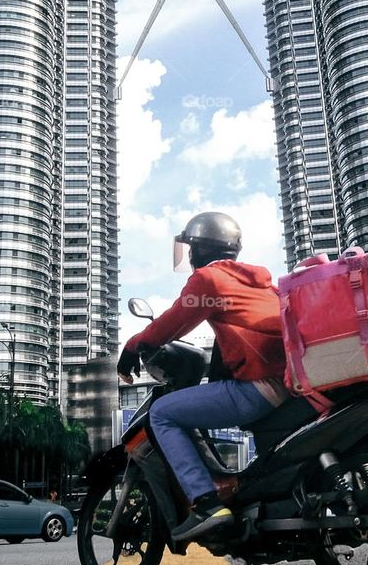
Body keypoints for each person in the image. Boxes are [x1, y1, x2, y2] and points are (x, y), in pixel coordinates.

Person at [117, 211, 289, 542]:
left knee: (163, 414)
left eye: (191, 248)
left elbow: (174, 322)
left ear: (199, 248)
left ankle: (206, 503)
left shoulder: (210, 279)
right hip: (288, 384)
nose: (189, 256)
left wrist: (134, 345)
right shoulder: (263, 284)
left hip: (259, 388)